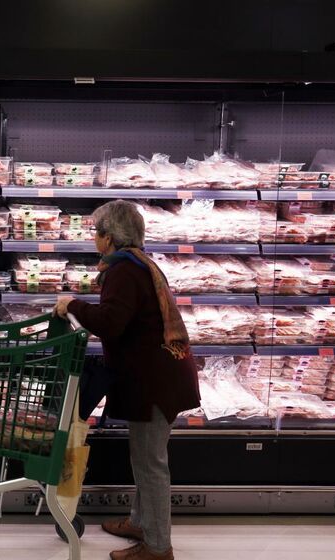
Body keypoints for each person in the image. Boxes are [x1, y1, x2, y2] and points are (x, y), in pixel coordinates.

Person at [54, 200, 200, 560]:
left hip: (155, 382)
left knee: (151, 463)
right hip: (156, 376)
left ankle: (157, 546)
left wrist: (72, 305)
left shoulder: (124, 271)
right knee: (144, 458)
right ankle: (141, 521)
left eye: (96, 232)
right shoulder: (137, 264)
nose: (94, 239)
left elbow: (111, 322)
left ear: (109, 237)